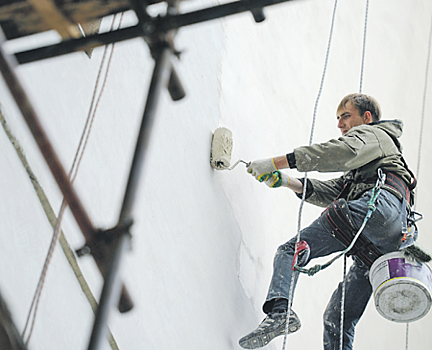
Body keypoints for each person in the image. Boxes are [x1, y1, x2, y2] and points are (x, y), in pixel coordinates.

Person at [239, 93, 416, 350]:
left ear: (366, 118)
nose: (340, 124)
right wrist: (287, 181)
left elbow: (340, 152)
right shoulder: (372, 163)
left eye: (346, 116)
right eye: (338, 118)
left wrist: (276, 162)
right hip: (387, 242)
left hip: (378, 209)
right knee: (338, 318)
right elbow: (338, 190)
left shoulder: (374, 135)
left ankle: (279, 312)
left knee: (291, 250)